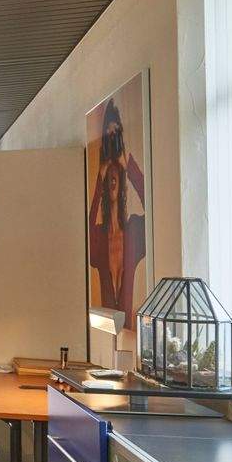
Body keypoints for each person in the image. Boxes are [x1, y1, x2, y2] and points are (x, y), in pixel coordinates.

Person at [88, 99, 147, 323]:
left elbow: (156, 213)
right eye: (109, 176)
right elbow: (84, 237)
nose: (112, 179)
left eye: (116, 137)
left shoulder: (135, 230)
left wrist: (128, 165)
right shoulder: (98, 237)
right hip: (103, 333)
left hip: (129, 337)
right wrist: (99, 176)